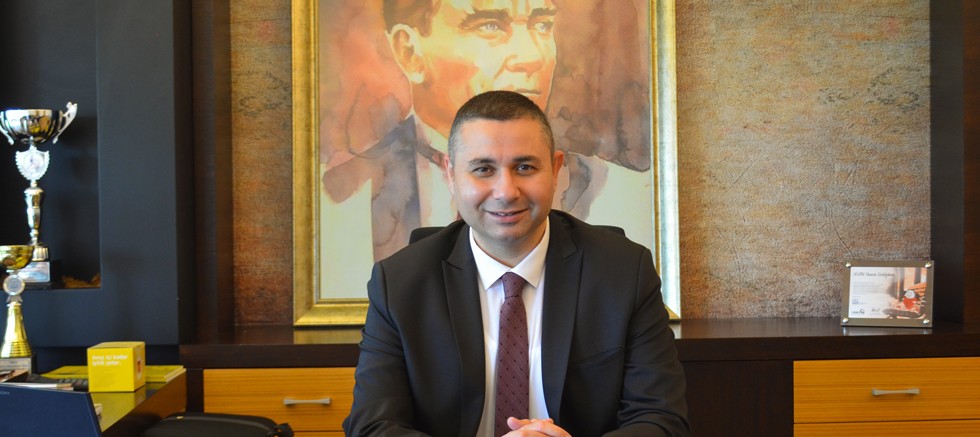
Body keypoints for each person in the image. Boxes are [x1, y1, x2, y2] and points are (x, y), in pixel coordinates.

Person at [343, 90, 689, 436]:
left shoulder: (624, 273)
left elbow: (662, 420)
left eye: (525, 167)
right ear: (450, 174)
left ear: (555, 169)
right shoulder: (399, 283)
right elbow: (372, 426)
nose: (506, 191)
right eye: (483, 169)